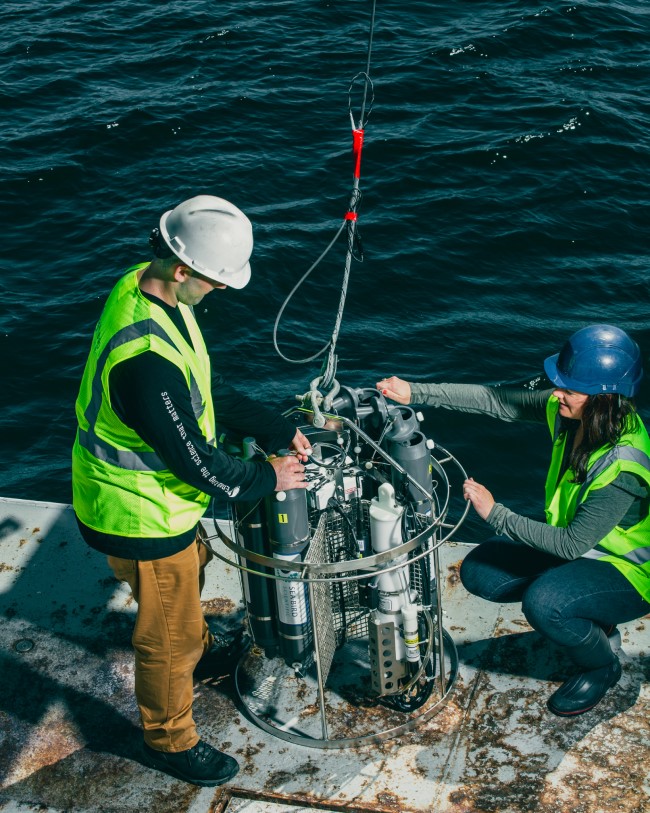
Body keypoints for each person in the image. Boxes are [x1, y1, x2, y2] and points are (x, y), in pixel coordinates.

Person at [72, 195, 311, 785]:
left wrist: (276, 427)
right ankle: (170, 739)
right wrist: (268, 478)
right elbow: (198, 468)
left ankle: (202, 648)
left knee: (194, 568)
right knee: (168, 640)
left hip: (149, 504)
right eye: (216, 281)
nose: (221, 291)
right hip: (139, 516)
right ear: (183, 269)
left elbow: (202, 386)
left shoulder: (144, 287)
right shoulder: (144, 363)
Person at [377, 324, 650, 717]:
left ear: (603, 401)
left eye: (568, 389)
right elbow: (497, 401)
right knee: (481, 573)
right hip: (582, 547)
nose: (557, 393)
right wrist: (415, 391)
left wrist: (494, 513)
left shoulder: (622, 464)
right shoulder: (571, 412)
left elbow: (571, 544)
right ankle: (595, 621)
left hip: (627, 571)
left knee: (546, 604)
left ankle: (601, 664)